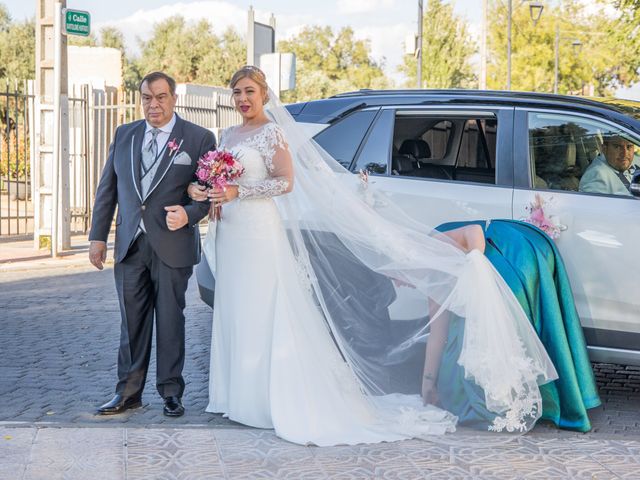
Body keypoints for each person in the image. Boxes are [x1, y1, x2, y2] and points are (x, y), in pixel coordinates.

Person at [188, 66, 559, 446]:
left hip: (259, 229)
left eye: (249, 91)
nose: (242, 99)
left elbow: (286, 181)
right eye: (236, 92)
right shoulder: (229, 134)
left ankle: (262, 401)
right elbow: (222, 181)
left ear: (264, 94)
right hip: (232, 231)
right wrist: (210, 193)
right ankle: (236, 397)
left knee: (262, 307)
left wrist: (240, 194)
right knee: (236, 308)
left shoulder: (273, 132)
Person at [89, 71, 216, 417]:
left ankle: (171, 392)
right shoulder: (125, 134)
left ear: (174, 98)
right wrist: (97, 237)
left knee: (171, 320)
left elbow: (206, 195)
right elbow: (108, 190)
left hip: (172, 245)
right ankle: (128, 392)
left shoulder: (199, 138)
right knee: (131, 323)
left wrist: (189, 215)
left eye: (160, 97)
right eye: (147, 97)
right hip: (130, 244)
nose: (153, 104)